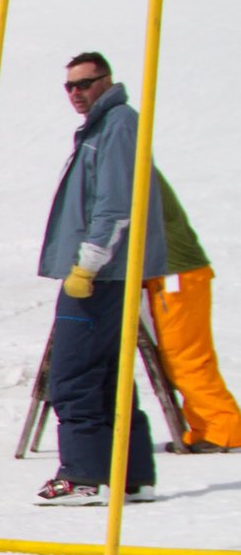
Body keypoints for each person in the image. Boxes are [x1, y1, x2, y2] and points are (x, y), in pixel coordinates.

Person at [34, 51, 168, 507]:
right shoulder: (104, 126)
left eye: (85, 84)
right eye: (69, 86)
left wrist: (86, 264)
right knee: (109, 374)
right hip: (108, 273)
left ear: (107, 81)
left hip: (100, 274)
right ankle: (130, 474)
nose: (76, 93)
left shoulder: (116, 124)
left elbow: (115, 203)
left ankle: (84, 474)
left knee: (74, 374)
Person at [143, 172, 240, 452]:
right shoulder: (129, 158)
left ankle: (223, 427)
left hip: (176, 274)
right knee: (182, 355)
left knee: (185, 354)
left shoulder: (124, 160)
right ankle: (207, 426)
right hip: (174, 271)